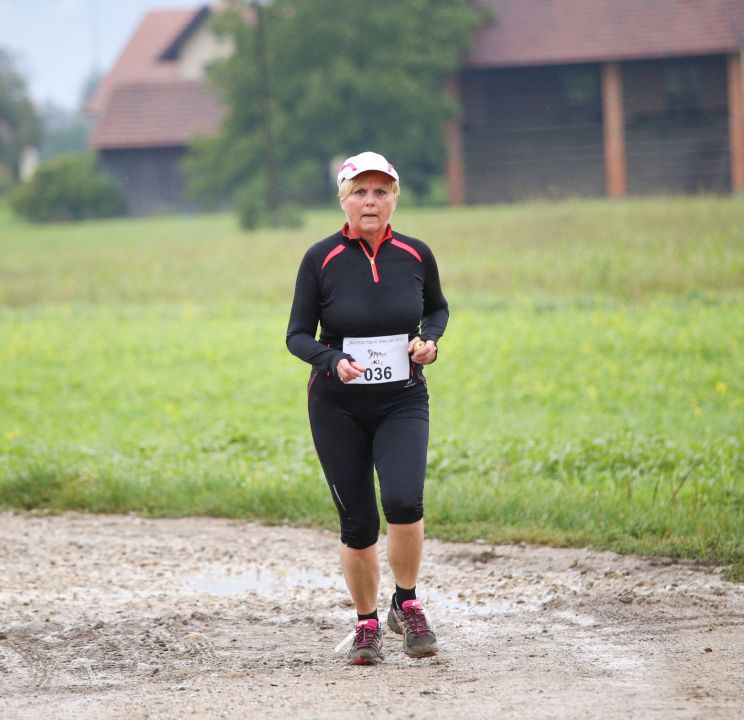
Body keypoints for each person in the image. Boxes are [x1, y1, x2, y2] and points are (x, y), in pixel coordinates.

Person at [286, 151, 448, 665]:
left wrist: (431, 342)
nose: (370, 201)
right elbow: (295, 336)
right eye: (360, 192)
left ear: (395, 197)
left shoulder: (416, 255)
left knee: (403, 502)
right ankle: (366, 624)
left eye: (380, 191)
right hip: (337, 407)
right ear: (344, 199)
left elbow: (437, 309)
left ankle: (407, 602)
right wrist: (331, 360)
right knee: (358, 524)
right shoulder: (321, 258)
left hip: (402, 399)